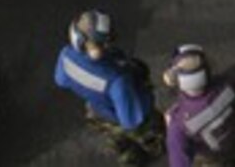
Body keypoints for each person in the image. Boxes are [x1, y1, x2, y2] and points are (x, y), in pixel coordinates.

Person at [54, 9, 165, 166]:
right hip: (123, 116)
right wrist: (147, 96)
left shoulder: (66, 56)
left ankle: (131, 160)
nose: (108, 45)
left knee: (120, 145)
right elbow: (130, 120)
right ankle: (156, 151)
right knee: (153, 135)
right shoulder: (117, 81)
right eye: (103, 42)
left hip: (97, 114)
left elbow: (61, 80)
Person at [163, 44, 235, 167]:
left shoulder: (178, 122)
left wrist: (171, 125)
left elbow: (179, 161)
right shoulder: (226, 85)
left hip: (213, 157)